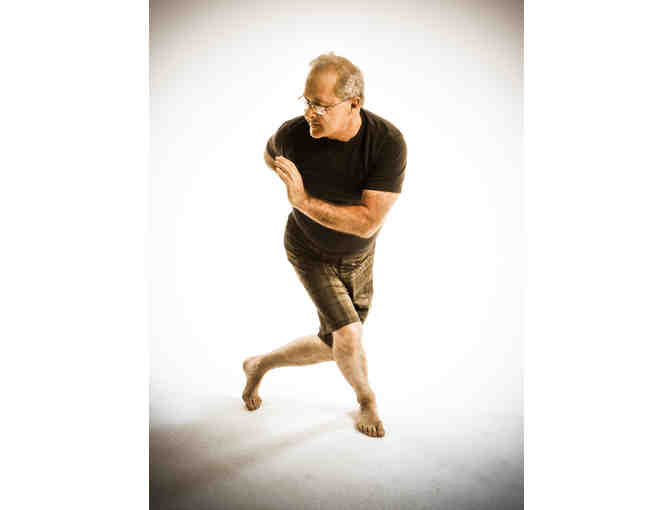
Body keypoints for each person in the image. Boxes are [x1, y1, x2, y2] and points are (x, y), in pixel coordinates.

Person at [242, 53, 406, 438]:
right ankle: (366, 399)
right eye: (307, 101)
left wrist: (302, 201)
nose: (309, 113)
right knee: (348, 336)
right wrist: (290, 181)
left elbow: (367, 222)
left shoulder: (386, 143)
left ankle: (260, 364)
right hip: (308, 250)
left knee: (336, 343)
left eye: (321, 105)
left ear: (354, 104)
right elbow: (269, 155)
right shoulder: (292, 135)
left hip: (359, 256)